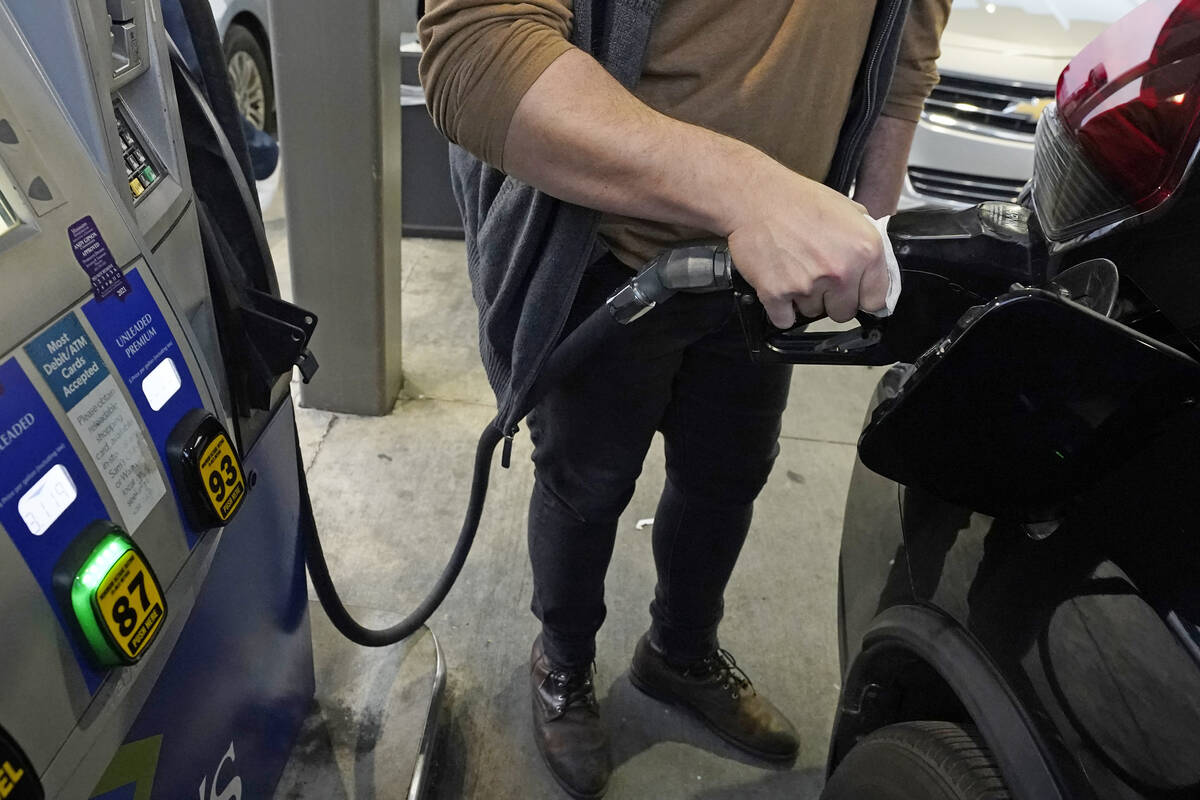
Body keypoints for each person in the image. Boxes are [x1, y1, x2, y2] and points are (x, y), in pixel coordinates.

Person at [419, 0, 950, 796]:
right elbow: (477, 49)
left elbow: (904, 57)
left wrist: (869, 235)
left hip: (767, 284)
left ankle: (680, 650)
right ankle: (561, 658)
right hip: (612, 261)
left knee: (727, 475)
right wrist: (748, 191)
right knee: (586, 484)